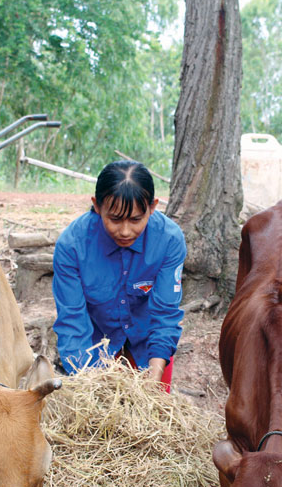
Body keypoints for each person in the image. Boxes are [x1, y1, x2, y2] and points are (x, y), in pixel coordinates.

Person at [52, 160, 186, 391]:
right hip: (94, 351)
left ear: (152, 207)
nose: (125, 231)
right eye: (114, 219)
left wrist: (153, 385)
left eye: (136, 220)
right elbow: (72, 322)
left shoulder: (169, 240)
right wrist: (91, 385)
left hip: (149, 350)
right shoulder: (72, 246)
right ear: (97, 206)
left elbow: (165, 315)